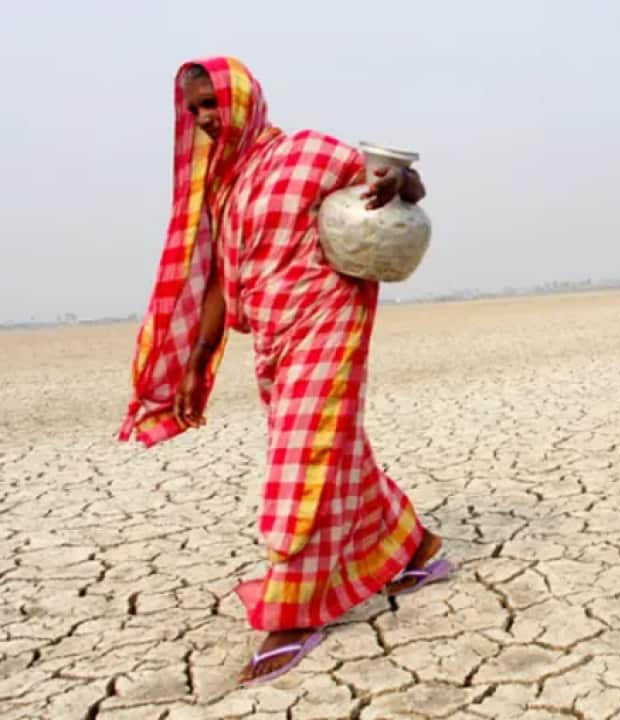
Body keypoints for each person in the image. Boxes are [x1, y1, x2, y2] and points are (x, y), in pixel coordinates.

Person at [118, 57, 451, 686]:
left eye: (213, 103)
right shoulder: (225, 187)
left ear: (245, 101)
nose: (205, 118)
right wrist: (196, 365)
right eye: (194, 109)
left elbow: (406, 185)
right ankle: (419, 549)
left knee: (300, 458)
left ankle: (293, 614)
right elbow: (220, 280)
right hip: (274, 338)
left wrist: (397, 185)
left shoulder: (309, 153)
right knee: (333, 449)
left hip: (328, 320)